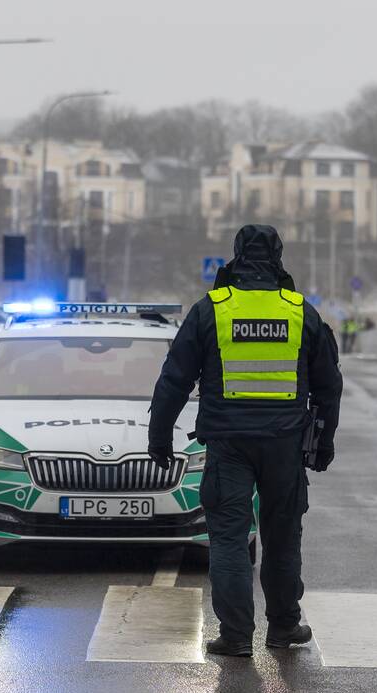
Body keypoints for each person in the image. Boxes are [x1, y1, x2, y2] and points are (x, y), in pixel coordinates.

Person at [147, 224, 343, 658]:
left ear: (235, 255)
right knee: (282, 537)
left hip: (228, 444)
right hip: (285, 444)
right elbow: (329, 386)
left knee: (230, 539)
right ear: (278, 255)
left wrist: (159, 437)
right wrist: (324, 441)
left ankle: (236, 637)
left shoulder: (211, 310)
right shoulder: (300, 311)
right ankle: (283, 627)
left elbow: (174, 379)